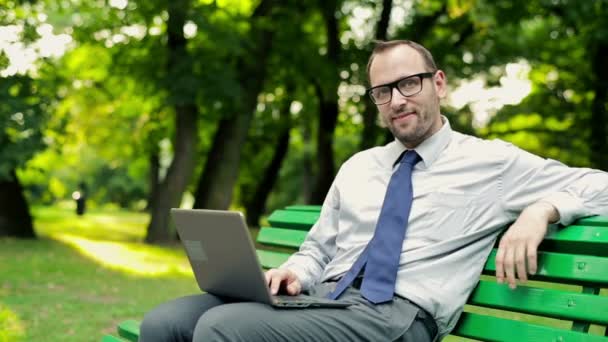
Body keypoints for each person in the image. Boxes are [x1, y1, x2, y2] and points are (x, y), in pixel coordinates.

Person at [139, 40, 608, 341]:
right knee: (166, 323)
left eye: (409, 83)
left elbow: (600, 186)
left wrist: (543, 208)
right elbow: (317, 248)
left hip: (399, 317)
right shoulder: (361, 166)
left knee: (223, 330)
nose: (397, 100)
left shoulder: (493, 162)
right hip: (323, 299)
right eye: (383, 91)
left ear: (438, 83)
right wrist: (294, 272)